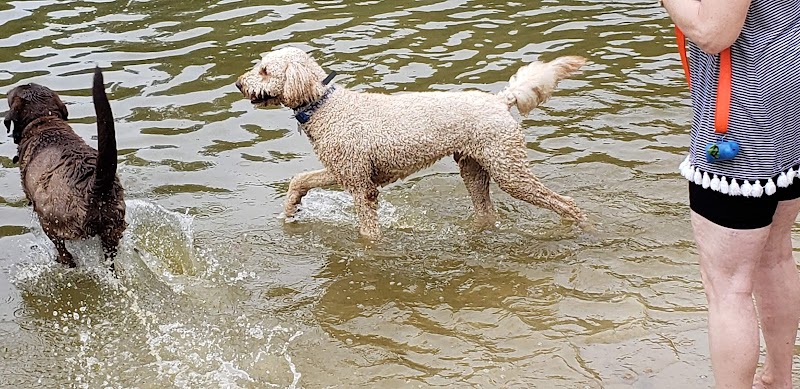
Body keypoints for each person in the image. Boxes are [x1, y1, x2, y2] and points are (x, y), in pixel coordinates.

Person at [661, 0, 800, 388]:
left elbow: (714, 31)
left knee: (728, 286)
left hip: (743, 119)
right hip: (788, 100)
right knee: (776, 255)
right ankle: (778, 380)